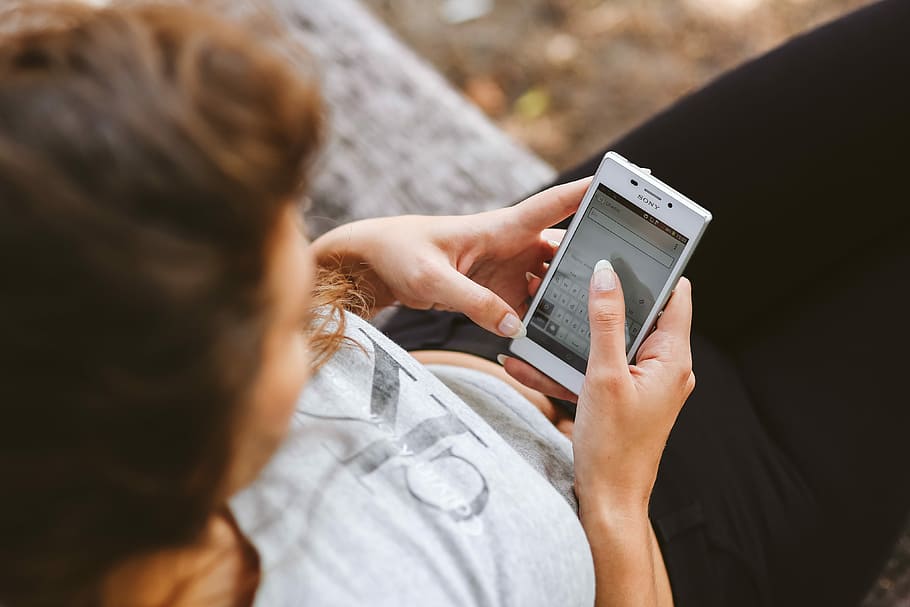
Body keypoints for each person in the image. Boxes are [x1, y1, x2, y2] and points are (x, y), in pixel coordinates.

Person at [0, 3, 906, 607]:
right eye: (288, 319)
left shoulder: (62, 367)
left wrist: (355, 271)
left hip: (478, 336)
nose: (325, 325)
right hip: (688, 526)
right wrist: (618, 502)